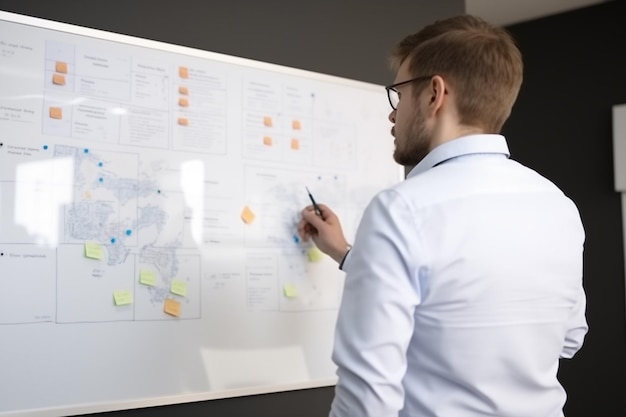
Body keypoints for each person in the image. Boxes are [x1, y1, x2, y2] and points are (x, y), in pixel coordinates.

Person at [298, 14, 587, 417]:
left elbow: (367, 397)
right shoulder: (559, 206)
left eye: (398, 94)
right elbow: (569, 339)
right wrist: (347, 253)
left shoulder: (402, 210)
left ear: (435, 93)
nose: (393, 115)